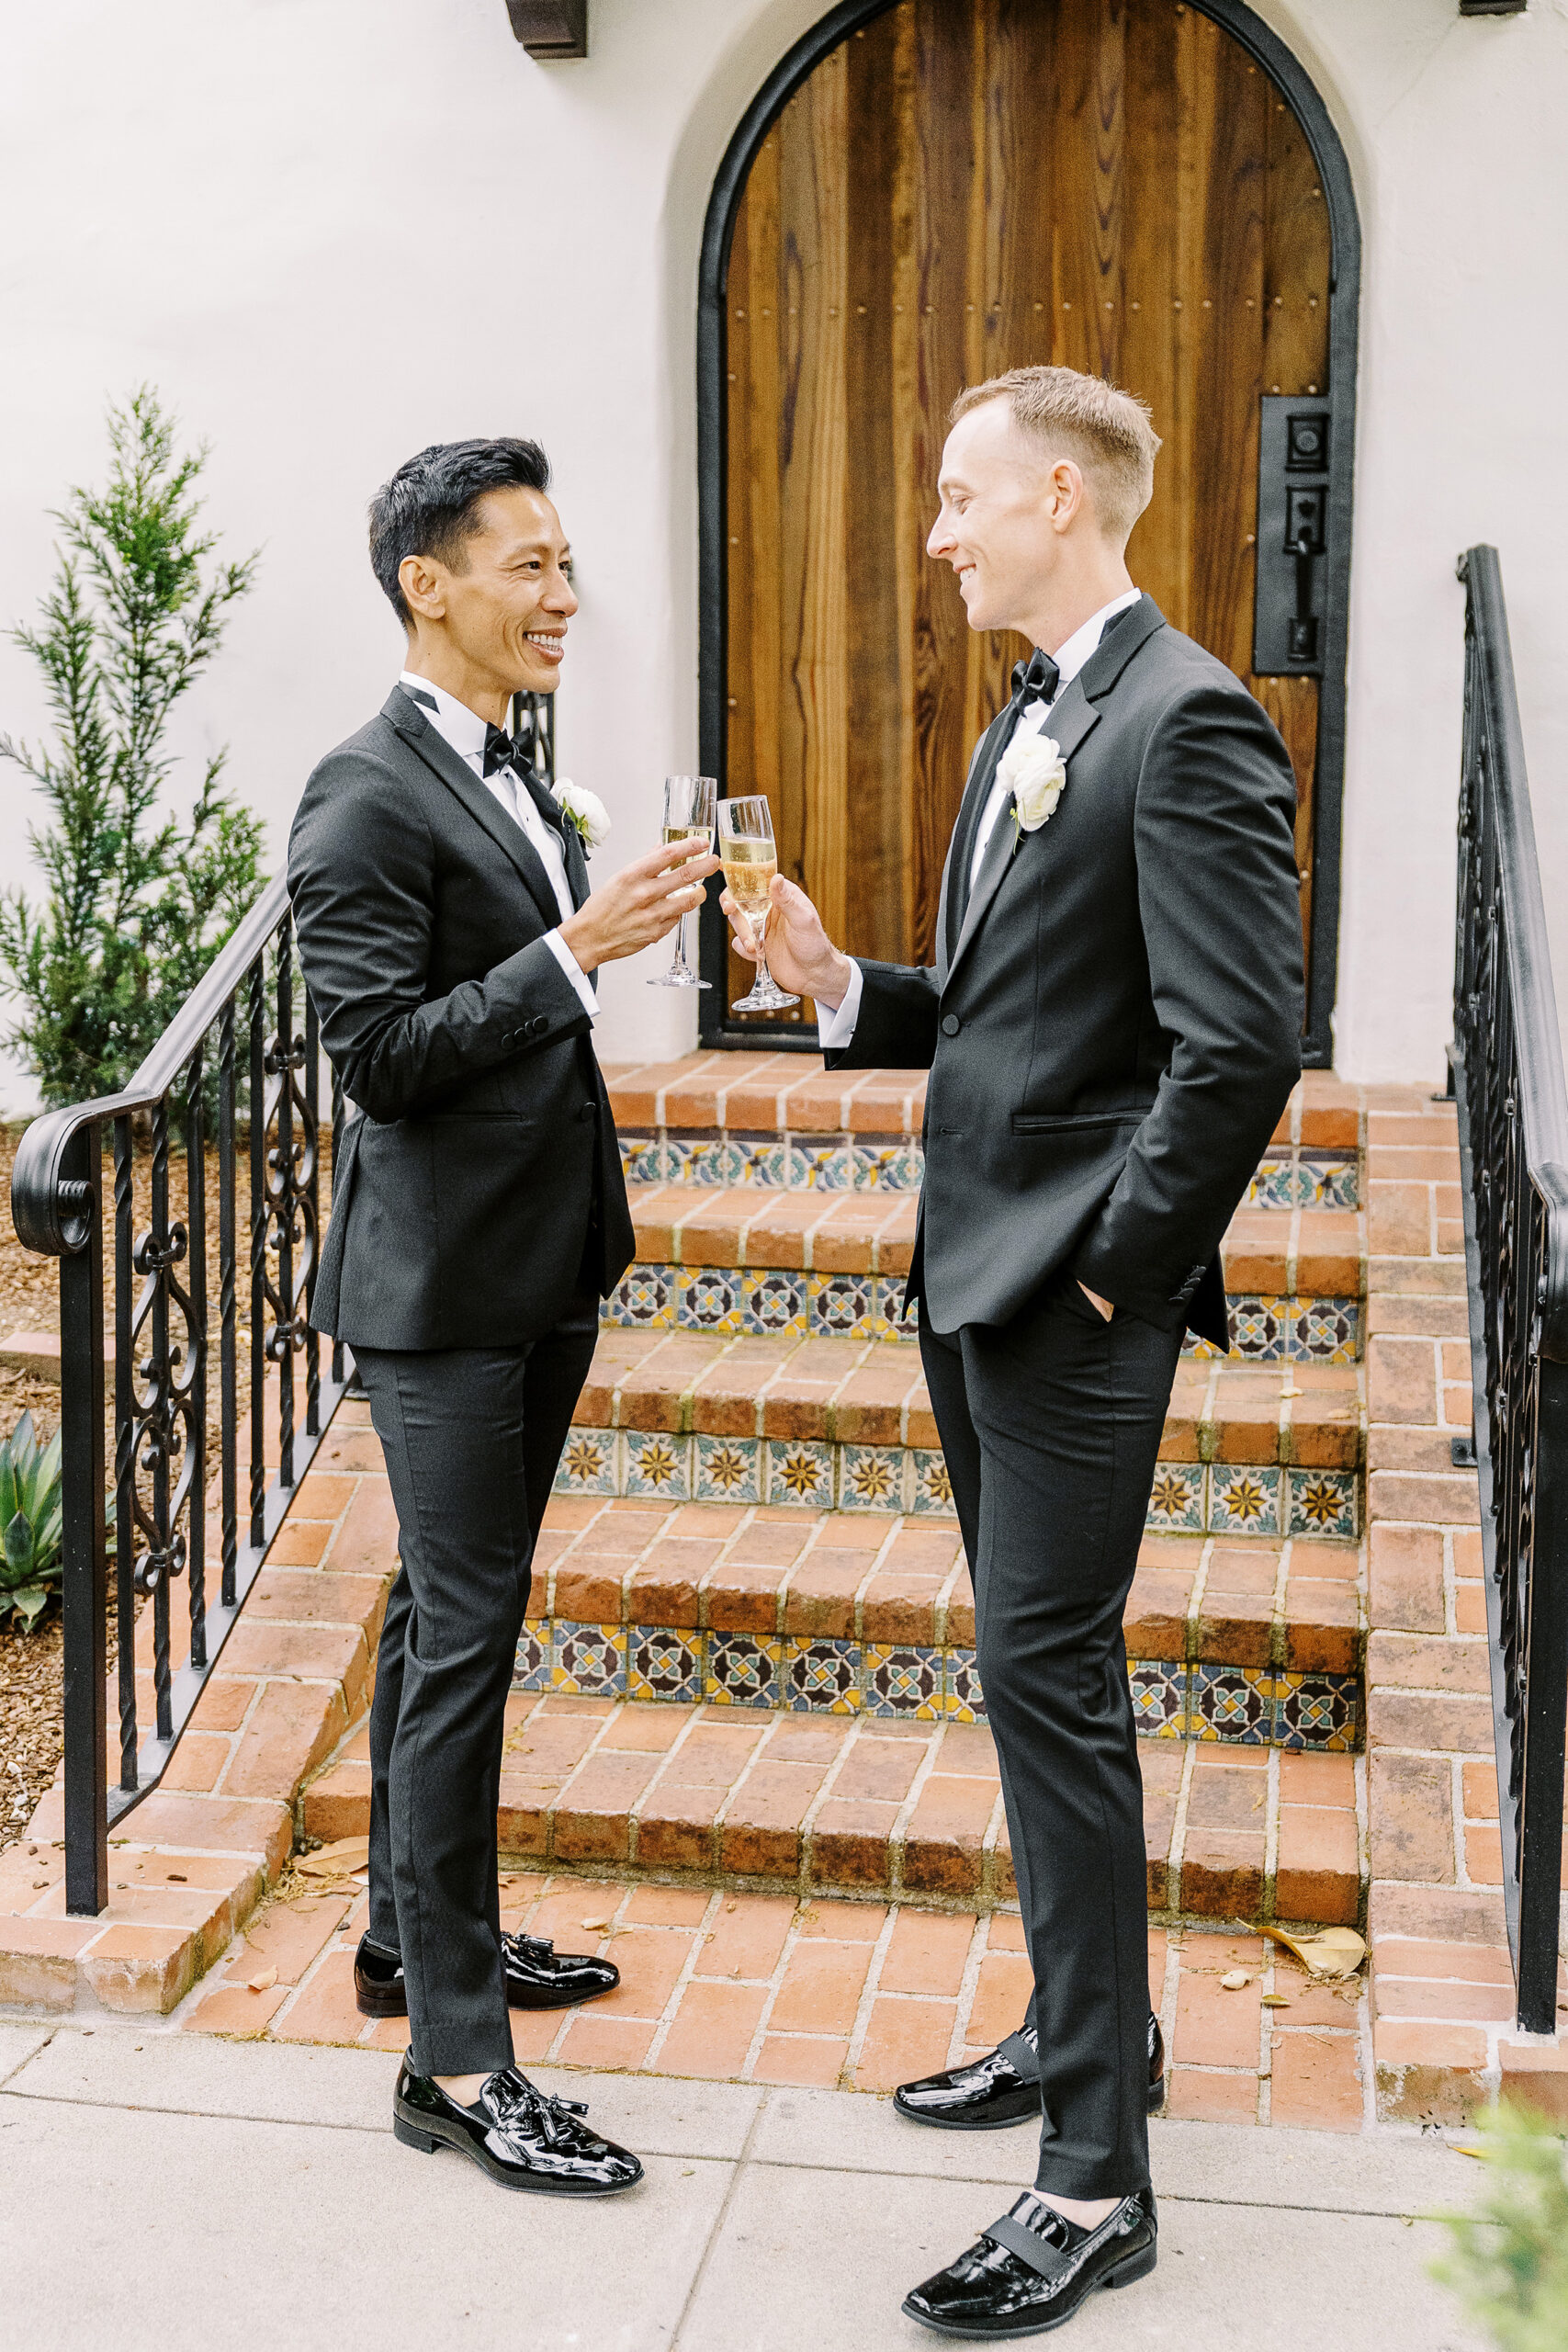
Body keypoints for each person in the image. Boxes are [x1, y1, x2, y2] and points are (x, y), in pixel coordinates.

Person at [722, 366, 1303, 2335]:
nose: (938, 532)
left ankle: (1092, 2178)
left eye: (962, 497)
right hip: (969, 1273)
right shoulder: (1027, 722)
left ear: (1060, 496)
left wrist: (1110, 1277)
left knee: (1045, 1682)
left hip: (1064, 1298)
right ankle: (1091, 2026)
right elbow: (1007, 1014)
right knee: (1035, 1679)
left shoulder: (1185, 718)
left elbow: (1237, 1045)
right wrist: (835, 984)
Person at [288, 436, 719, 2196]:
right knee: (467, 1638)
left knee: (441, 1617)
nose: (563, 597)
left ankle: (413, 1937)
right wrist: (574, 953)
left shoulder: (510, 770)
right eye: (528, 567)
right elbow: (380, 1059)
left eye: (566, 565)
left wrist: (583, 939)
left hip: (540, 1267)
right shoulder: (361, 794)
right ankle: (456, 2063)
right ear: (428, 585)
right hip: (443, 1293)